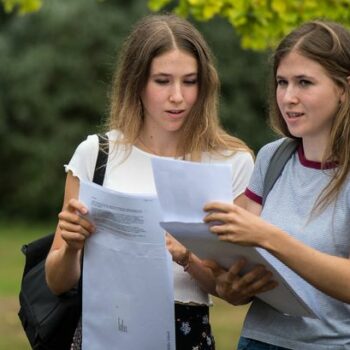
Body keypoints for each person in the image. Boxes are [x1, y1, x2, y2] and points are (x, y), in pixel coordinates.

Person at [44, 13, 268, 349]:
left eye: (190, 81)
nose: (177, 96)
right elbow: (56, 282)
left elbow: (234, 292)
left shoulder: (231, 162)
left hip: (186, 332)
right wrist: (73, 248)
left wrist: (187, 258)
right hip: (103, 329)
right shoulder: (97, 153)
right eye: (162, 81)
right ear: (136, 82)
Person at [204, 20, 350, 349]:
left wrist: (271, 238)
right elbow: (241, 260)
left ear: (343, 89)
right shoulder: (273, 157)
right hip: (256, 340)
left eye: (304, 83)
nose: (288, 97)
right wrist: (231, 286)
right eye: (282, 82)